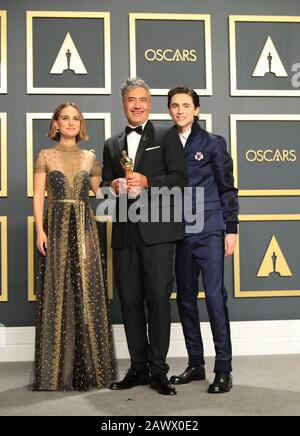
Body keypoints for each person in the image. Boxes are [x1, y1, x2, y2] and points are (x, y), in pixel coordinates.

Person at [101, 77, 186, 396]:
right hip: (124, 234)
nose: (137, 105)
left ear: (149, 104)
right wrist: (113, 186)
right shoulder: (111, 143)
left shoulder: (167, 136)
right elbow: (106, 182)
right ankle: (137, 368)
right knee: (130, 302)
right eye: (131, 100)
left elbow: (180, 179)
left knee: (158, 303)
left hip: (159, 233)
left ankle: (158, 370)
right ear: (123, 104)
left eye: (143, 100)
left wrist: (149, 182)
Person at [32, 102, 115, 391]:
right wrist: (39, 229)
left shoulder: (90, 157)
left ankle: (91, 370)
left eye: (75, 118)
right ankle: (57, 372)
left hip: (84, 226)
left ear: (81, 124)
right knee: (59, 291)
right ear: (55, 124)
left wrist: (119, 186)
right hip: (55, 226)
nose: (70, 123)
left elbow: (100, 194)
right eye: (64, 118)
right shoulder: (44, 155)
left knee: (87, 289)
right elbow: (39, 196)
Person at [167, 86, 239, 394]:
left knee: (213, 298)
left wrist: (231, 227)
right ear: (169, 110)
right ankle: (195, 364)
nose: (180, 110)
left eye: (186, 105)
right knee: (185, 300)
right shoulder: (163, 142)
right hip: (177, 233)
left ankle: (223, 367)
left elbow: (227, 188)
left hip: (209, 230)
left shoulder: (212, 143)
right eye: (174, 105)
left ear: (196, 110)